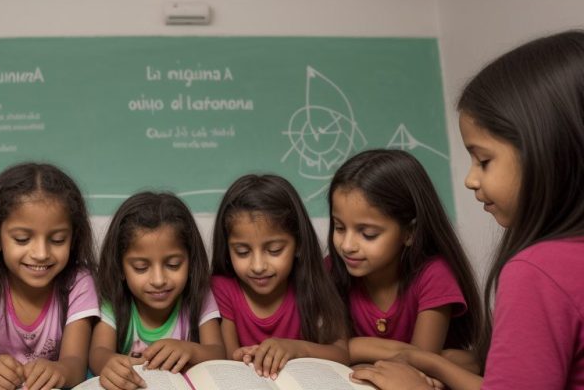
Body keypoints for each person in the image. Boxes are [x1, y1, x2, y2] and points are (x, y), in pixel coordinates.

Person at [353, 30, 584, 389]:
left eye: (484, 160)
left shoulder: (537, 272)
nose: (470, 180)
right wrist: (434, 364)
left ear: (550, 150)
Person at [326, 149, 482, 365]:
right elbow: (328, 350)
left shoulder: (434, 275)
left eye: (368, 234)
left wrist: (351, 347)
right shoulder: (330, 271)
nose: (347, 245)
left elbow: (420, 362)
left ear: (410, 232)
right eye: (339, 228)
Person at [0, 163, 98, 390]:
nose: (41, 254)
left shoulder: (79, 283)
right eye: (22, 239)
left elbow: (75, 366)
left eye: (57, 240)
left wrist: (59, 371)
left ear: (73, 239)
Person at [210, 174, 350, 379]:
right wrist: (240, 356)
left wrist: (296, 348)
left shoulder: (313, 284)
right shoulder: (223, 289)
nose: (258, 266)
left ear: (299, 244)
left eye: (274, 250)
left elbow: (341, 354)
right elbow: (227, 357)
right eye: (242, 252)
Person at [90, 192, 224, 390]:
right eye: (141, 268)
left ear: (191, 262)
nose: (159, 280)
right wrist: (109, 364)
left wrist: (191, 350)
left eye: (173, 264)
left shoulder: (199, 295)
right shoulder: (113, 301)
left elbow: (218, 354)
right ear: (120, 268)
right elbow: (98, 352)